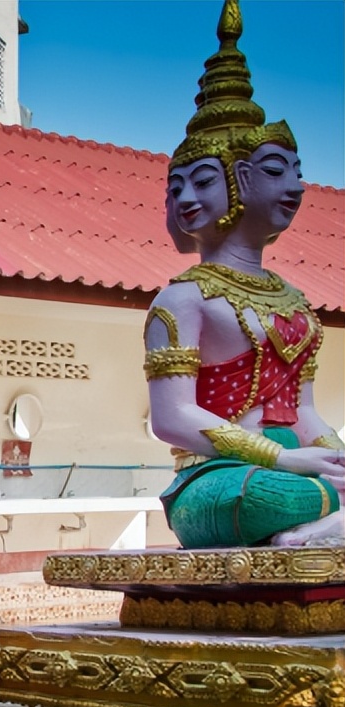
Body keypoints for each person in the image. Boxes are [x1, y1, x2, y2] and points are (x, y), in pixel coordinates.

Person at [144, 0, 343, 549]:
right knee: (267, 500)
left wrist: (332, 452)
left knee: (322, 484)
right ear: (241, 182)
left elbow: (304, 411)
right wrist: (284, 457)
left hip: (296, 464)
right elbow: (173, 417)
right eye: (180, 185)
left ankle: (323, 527)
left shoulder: (294, 301)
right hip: (220, 477)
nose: (296, 188)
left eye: (295, 173)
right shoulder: (182, 299)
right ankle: (321, 526)